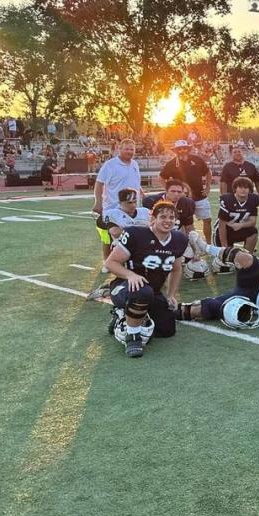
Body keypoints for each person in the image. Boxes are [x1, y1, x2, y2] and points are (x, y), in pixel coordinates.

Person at [103, 201, 189, 358]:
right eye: (163, 216)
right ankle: (132, 336)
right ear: (153, 219)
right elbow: (110, 263)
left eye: (171, 217)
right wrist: (131, 275)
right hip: (124, 287)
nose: (168, 220)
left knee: (166, 330)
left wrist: (170, 295)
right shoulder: (136, 234)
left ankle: (124, 316)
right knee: (142, 291)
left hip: (152, 291)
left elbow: (176, 269)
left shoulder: (179, 239)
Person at [93, 138, 142, 262]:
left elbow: (135, 182)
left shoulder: (135, 164)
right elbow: (99, 184)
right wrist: (98, 203)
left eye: (132, 149)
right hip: (113, 207)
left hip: (132, 207)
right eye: (126, 149)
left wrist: (142, 193)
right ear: (119, 149)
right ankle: (107, 261)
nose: (129, 152)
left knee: (131, 233)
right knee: (109, 236)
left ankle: (127, 260)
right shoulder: (110, 165)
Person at [159, 139, 213, 241]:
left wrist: (208, 187)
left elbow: (208, 172)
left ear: (188, 149)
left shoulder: (197, 159)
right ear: (175, 150)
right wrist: (169, 191)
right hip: (182, 199)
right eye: (179, 149)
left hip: (199, 195)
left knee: (207, 220)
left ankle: (208, 244)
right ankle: (186, 245)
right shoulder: (171, 163)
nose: (182, 150)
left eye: (184, 148)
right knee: (184, 223)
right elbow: (161, 178)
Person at [215, 177, 259, 253]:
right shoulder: (227, 200)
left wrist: (240, 225)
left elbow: (253, 222)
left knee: (253, 231)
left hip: (240, 229)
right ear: (235, 188)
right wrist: (225, 248)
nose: (243, 190)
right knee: (225, 260)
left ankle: (248, 255)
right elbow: (221, 226)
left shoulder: (253, 199)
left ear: (249, 189)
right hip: (225, 231)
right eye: (240, 187)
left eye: (246, 188)